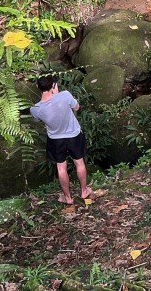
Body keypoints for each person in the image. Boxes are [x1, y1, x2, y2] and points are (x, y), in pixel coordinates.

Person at [29, 75, 92, 205]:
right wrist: (57, 94)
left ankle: (67, 198)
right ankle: (84, 191)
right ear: (53, 86)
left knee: (61, 168)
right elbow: (77, 107)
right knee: (79, 163)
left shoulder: (35, 109)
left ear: (38, 87)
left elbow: (38, 119)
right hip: (74, 135)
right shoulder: (65, 95)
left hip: (56, 140)